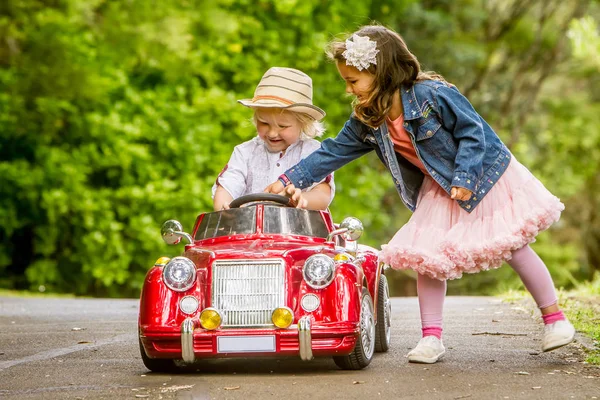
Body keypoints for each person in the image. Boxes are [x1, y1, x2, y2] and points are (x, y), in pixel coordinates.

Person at [265, 25, 575, 364]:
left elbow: (474, 131)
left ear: (380, 72)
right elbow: (333, 151)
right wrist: (286, 180)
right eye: (346, 81)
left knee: (513, 245)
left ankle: (554, 319)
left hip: (483, 174)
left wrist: (466, 176)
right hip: (440, 186)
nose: (349, 89)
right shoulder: (368, 118)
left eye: (353, 81)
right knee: (426, 257)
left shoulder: (432, 95)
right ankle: (431, 337)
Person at [212, 67, 334, 211]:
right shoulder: (244, 153)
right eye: (264, 123)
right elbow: (227, 186)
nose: (272, 133)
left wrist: (302, 199)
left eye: (282, 126)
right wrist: (224, 209)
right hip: (251, 230)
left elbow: (322, 195)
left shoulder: (313, 152)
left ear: (303, 123)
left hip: (301, 230)